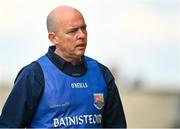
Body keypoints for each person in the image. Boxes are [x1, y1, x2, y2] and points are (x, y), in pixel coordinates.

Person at [0, 5, 126, 128]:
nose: (81, 35)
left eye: (83, 28)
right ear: (53, 38)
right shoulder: (34, 75)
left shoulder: (101, 73)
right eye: (73, 31)